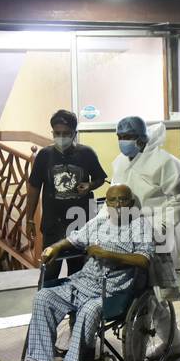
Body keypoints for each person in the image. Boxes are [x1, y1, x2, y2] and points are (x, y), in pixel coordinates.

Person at [21, 185, 154, 361]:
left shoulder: (141, 227)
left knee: (89, 310)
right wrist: (55, 247)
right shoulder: (97, 223)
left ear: (131, 203)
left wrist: (108, 255)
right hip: (82, 282)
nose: (118, 205)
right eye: (112, 201)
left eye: (123, 200)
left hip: (112, 291)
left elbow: (144, 260)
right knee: (44, 297)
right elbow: (73, 239)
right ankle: (41, 360)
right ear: (106, 204)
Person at [110, 115, 180, 356]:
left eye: (129, 137)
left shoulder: (164, 163)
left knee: (150, 295)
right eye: (120, 137)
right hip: (126, 234)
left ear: (142, 139)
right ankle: (174, 344)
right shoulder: (119, 163)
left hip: (156, 235)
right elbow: (113, 196)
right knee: (148, 296)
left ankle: (136, 354)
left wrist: (162, 226)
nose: (124, 142)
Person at [26, 110, 108, 278]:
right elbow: (34, 188)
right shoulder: (44, 155)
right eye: (57, 133)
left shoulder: (86, 154)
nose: (61, 137)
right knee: (49, 272)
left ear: (74, 134)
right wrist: (29, 218)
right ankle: (48, 302)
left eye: (66, 134)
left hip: (80, 223)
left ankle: (75, 303)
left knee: (78, 271)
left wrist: (90, 185)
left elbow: (100, 178)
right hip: (52, 224)